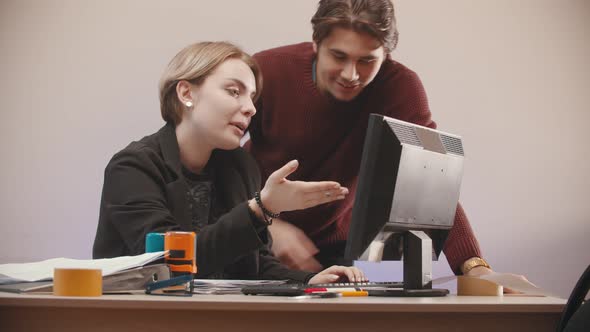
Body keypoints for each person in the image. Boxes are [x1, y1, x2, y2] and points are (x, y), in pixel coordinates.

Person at [247, 0, 494, 279]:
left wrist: (475, 266)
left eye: (366, 61)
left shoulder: (400, 88)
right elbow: (218, 156)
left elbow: (430, 180)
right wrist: (265, 222)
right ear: (316, 44)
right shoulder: (268, 70)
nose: (350, 75)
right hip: (256, 230)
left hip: (339, 246)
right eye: (338, 56)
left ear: (386, 54)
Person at [92, 41, 366, 284]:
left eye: (252, 97)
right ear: (186, 93)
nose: (251, 108)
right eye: (234, 91)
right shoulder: (133, 167)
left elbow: (255, 266)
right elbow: (169, 265)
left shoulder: (240, 167)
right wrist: (260, 209)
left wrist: (310, 279)